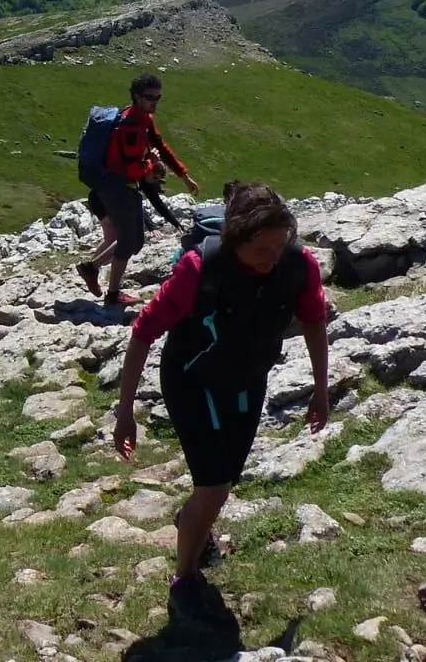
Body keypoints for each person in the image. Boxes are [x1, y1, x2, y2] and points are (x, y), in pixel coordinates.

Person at [110, 183, 332, 622]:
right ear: (235, 239)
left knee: (220, 483)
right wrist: (125, 411)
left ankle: (190, 523)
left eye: (279, 244)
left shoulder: (297, 264)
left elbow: (314, 321)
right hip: (192, 382)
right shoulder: (199, 270)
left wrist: (321, 389)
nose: (271, 258)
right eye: (260, 248)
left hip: (249, 382)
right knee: (214, 487)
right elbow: (143, 332)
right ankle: (185, 579)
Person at [80, 73, 199, 307]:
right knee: (127, 242)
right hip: (116, 187)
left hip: (123, 188)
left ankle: (90, 268)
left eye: (158, 97)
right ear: (136, 97)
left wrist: (184, 175)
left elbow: (160, 145)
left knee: (135, 242)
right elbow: (133, 169)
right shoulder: (131, 127)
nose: (154, 101)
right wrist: (150, 164)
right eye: (149, 97)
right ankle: (112, 295)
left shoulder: (144, 118)